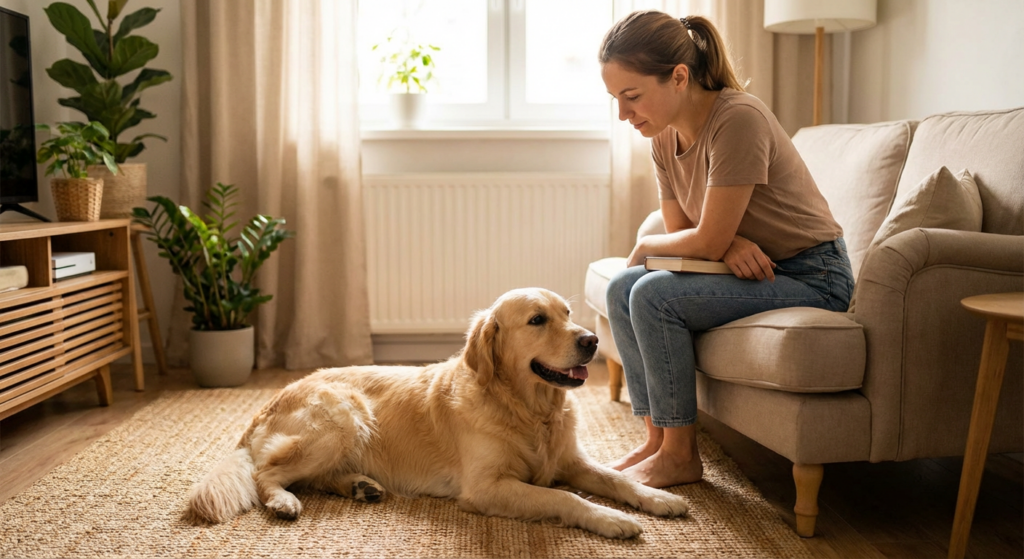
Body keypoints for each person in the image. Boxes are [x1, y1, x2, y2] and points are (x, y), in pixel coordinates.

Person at [599, 10, 854, 488]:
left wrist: (653, 243)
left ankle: (681, 456)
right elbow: (688, 231)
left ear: (679, 77)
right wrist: (726, 240)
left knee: (654, 295)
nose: (624, 114)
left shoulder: (737, 118)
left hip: (812, 274)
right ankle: (656, 441)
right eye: (616, 99)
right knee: (622, 288)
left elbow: (685, 240)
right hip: (756, 266)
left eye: (632, 97)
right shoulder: (662, 137)